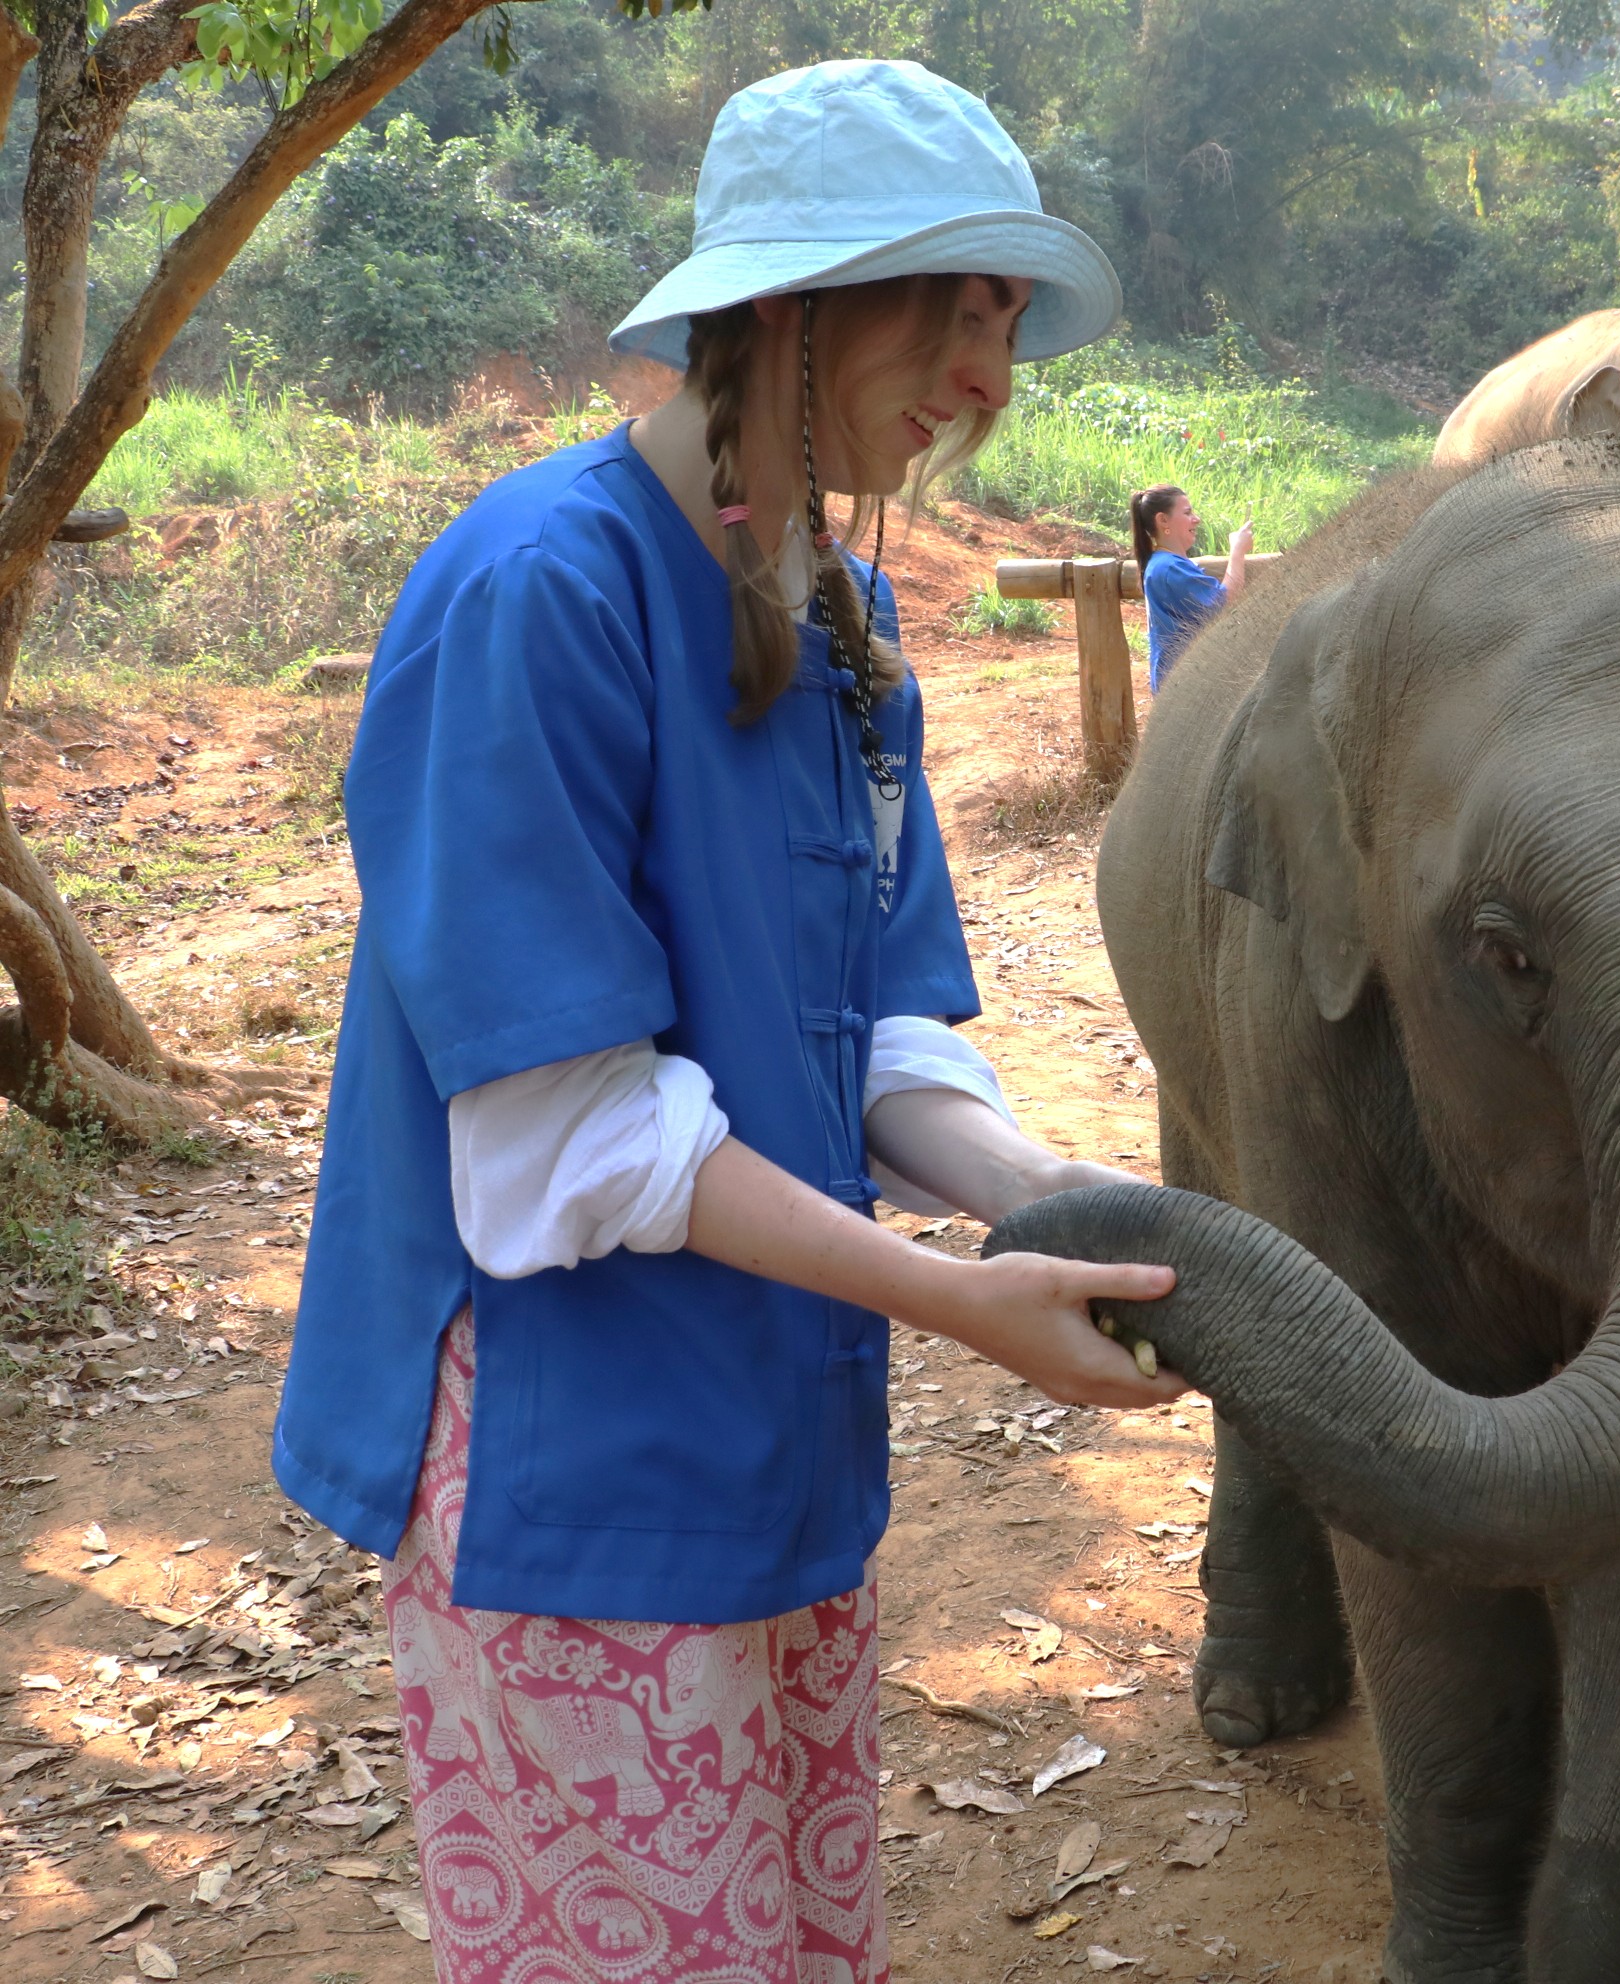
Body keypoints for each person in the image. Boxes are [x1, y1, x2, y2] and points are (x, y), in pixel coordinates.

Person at [271, 60, 1181, 1984]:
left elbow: (887, 1040)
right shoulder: (543, 589)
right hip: (568, 1464)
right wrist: (949, 1297)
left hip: (768, 1437)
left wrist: (1052, 1198)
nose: (987, 370)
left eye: (1006, 318)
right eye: (954, 302)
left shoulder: (846, 625)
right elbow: (569, 1132)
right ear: (784, 308)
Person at [1134, 482, 1251, 692]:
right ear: (1163, 520)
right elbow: (1224, 601)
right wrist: (1238, 550)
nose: (1196, 519)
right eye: (1187, 513)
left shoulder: (1163, 564)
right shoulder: (1170, 568)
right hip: (1185, 687)